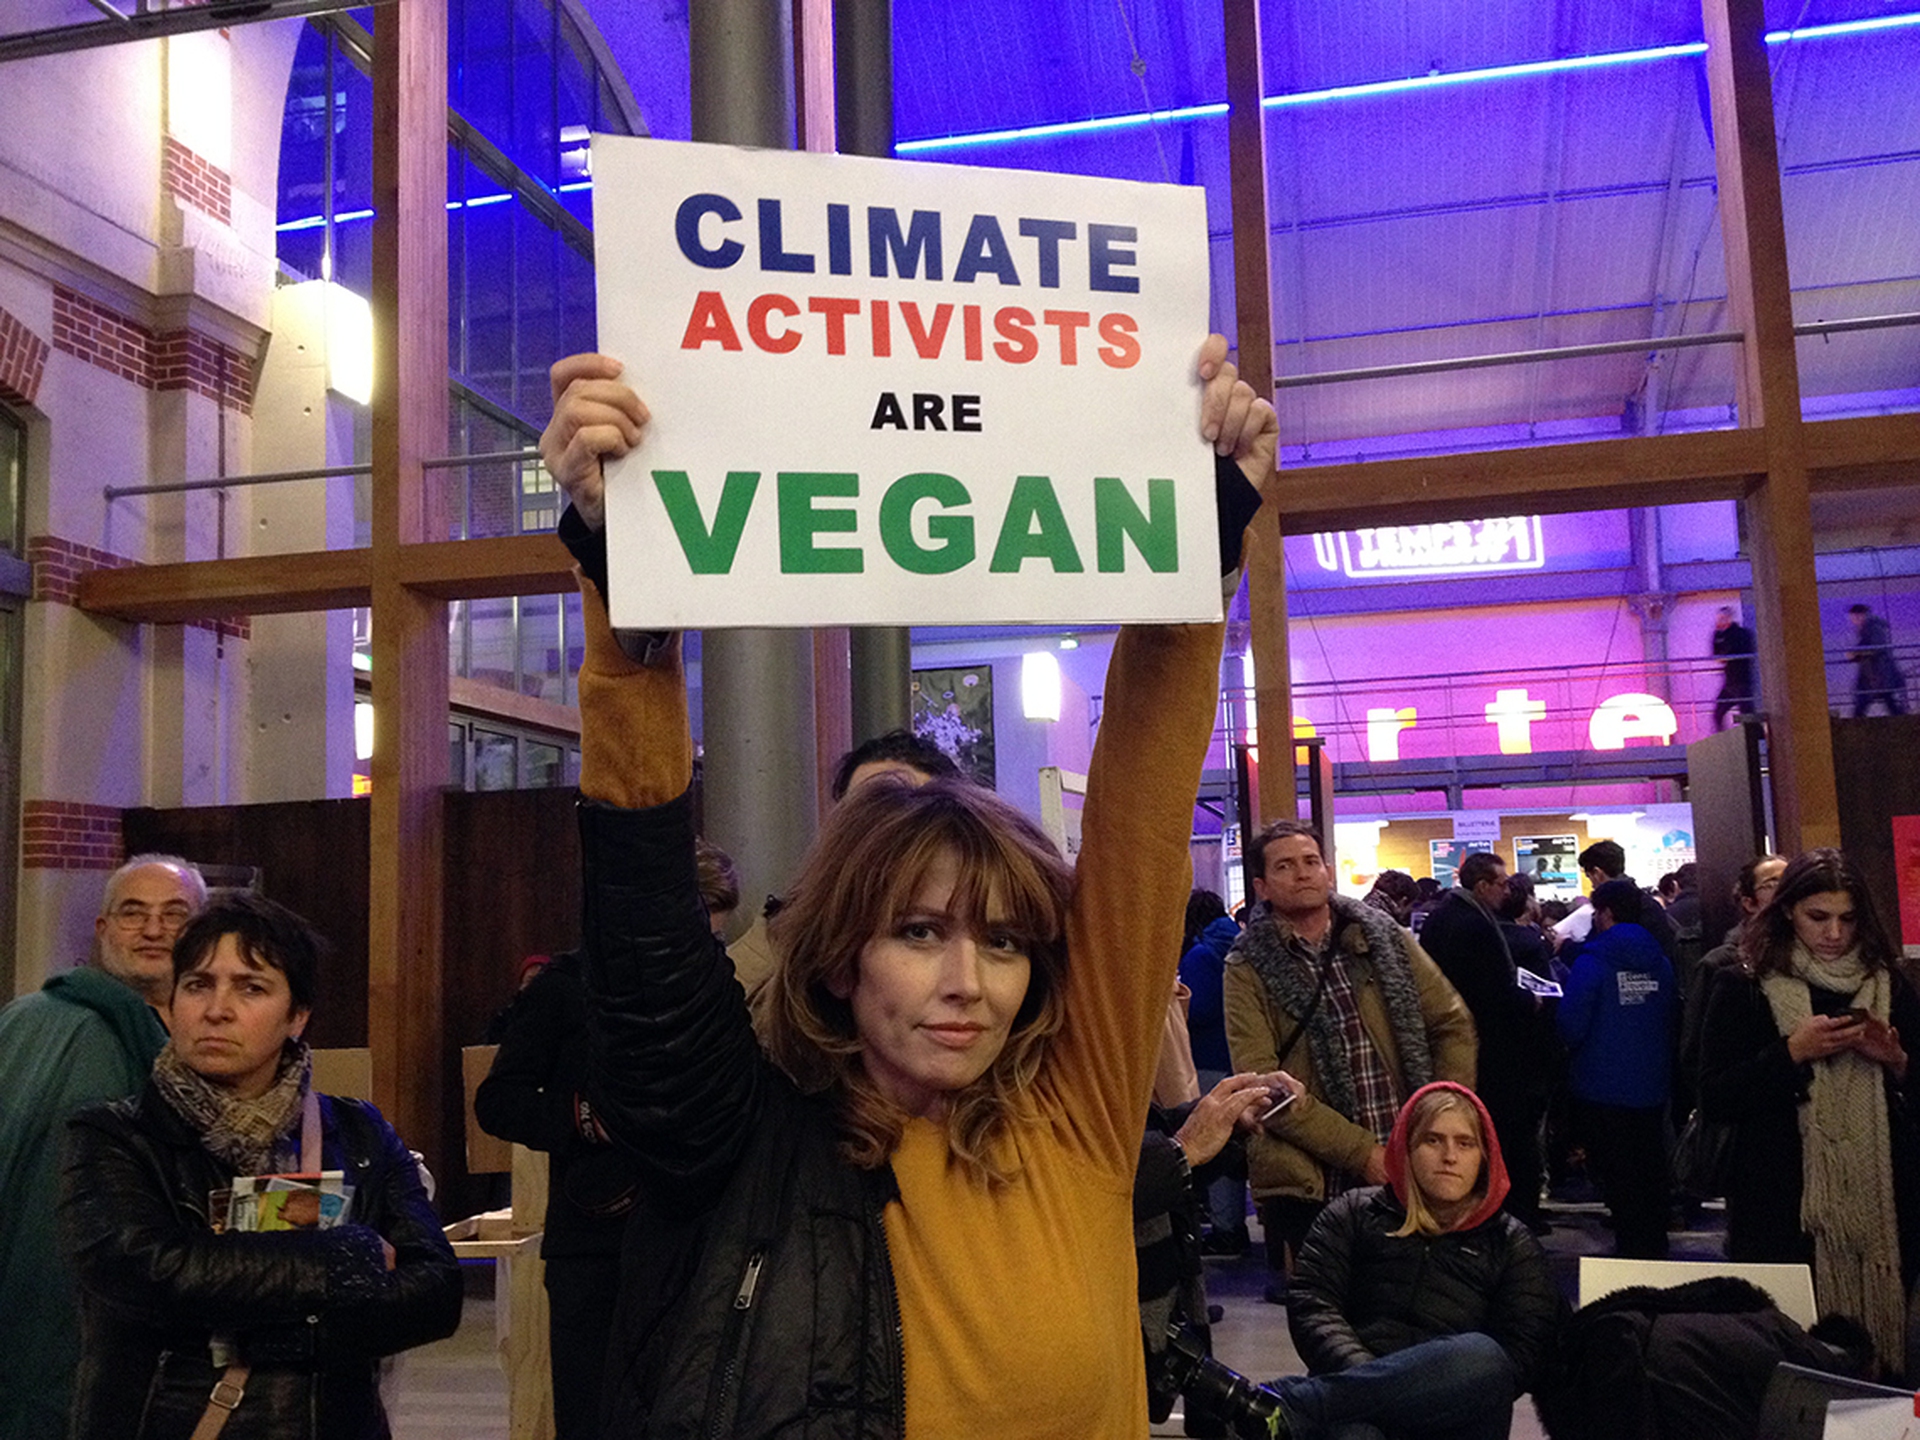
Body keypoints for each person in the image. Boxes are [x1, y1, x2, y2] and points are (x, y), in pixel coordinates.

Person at [540, 332, 1275, 1435]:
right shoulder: (743, 1147)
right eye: (920, 932)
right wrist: (621, 570)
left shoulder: (1077, 1109)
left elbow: (1138, 826)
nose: (968, 982)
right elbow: (646, 943)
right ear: (839, 953)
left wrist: (1197, 533)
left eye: (1007, 943)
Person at [59, 892, 462, 1440]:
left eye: (250, 987)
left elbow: (435, 1294)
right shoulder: (116, 1135)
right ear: (172, 1004)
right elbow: (149, 1269)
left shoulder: (359, 1132)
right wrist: (350, 1255)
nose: (217, 1009)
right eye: (198, 984)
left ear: (297, 1016)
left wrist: (251, 1315)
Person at [1222, 819, 1476, 1302]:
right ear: (1261, 886)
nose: (1302, 874)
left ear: (1328, 870)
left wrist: (1444, 1112)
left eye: (1311, 861)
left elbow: (1451, 1022)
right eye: (1285, 866)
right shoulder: (1246, 966)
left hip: (1410, 1155)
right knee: (1342, 1311)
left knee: (1426, 1302)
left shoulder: (1381, 939)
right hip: (1314, 1180)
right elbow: (1263, 1086)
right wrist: (1364, 1154)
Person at [0, 853, 205, 1440]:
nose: (153, 929)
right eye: (133, 913)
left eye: (175, 914)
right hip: (42, 1273)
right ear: (103, 929)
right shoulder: (37, 1022)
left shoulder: (211, 1034)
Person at [1699, 848, 1920, 1373]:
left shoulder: (1889, 983)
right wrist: (1791, 1053)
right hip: (1783, 1205)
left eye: (1848, 918)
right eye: (1818, 917)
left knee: (1881, 1372)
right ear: (1787, 912)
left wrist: (1897, 1059)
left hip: (1886, 1204)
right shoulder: (1744, 984)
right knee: (1795, 1363)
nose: (1834, 934)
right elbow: (1715, 1096)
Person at [1265, 1082, 1560, 1440]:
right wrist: (1384, 1388)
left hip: (1457, 1415)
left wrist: (1421, 1395)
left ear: (1484, 1156)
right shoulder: (1355, 1212)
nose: (1449, 1156)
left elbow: (1520, 1356)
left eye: (1465, 1143)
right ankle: (1329, 1403)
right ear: (1407, 1147)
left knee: (1485, 1355)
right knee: (1354, 1435)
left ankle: (1295, 1403)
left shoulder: (1512, 1243)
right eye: (1433, 1140)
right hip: (1355, 1403)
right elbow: (1313, 1305)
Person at [1419, 852, 1551, 1232]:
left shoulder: (1442, 919)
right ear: (1482, 886)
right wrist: (1531, 1000)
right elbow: (1492, 993)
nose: (1507, 890)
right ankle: (1512, 1215)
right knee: (1506, 1136)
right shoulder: (1474, 925)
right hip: (1490, 1051)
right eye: (1502, 883)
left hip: (1457, 1048)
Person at [1557, 879, 1676, 1258]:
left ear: (1606, 913)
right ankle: (1655, 1242)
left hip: (1601, 1086)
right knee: (1651, 1165)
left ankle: (1631, 1247)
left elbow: (1571, 1026)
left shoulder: (1592, 963)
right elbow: (1671, 1016)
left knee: (1618, 1172)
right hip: (1652, 1083)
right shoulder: (1661, 962)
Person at [1181, 888, 1251, 1251]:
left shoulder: (1199, 955)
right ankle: (1232, 1223)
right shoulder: (1238, 942)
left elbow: (1200, 1007)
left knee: (1215, 1145)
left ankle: (1226, 1229)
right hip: (1236, 1056)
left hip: (1208, 1057)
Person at [1551, 840, 1679, 960]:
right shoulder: (1646, 902)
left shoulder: (1613, 903)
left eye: (1589, 877)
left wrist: (1566, 945)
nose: (1592, 885)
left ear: (1597, 873)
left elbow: (1599, 948)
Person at [1847, 603, 1907, 717]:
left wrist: (1856, 653)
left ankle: (1856, 724)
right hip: (1876, 673)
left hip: (1877, 672)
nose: (1853, 620)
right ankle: (1901, 719)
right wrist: (1857, 653)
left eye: (1854, 617)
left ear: (1861, 615)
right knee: (1887, 700)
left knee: (1865, 701)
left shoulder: (1872, 628)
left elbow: (1877, 647)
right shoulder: (1869, 628)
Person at [1711, 606, 1756, 730]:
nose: (1721, 621)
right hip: (1731, 681)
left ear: (1730, 618)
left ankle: (1753, 738)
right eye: (1719, 618)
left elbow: (1736, 652)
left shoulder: (1741, 634)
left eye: (1723, 618)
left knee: (1747, 713)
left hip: (1741, 680)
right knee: (1718, 713)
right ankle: (1722, 739)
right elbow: (1717, 656)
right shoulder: (1719, 635)